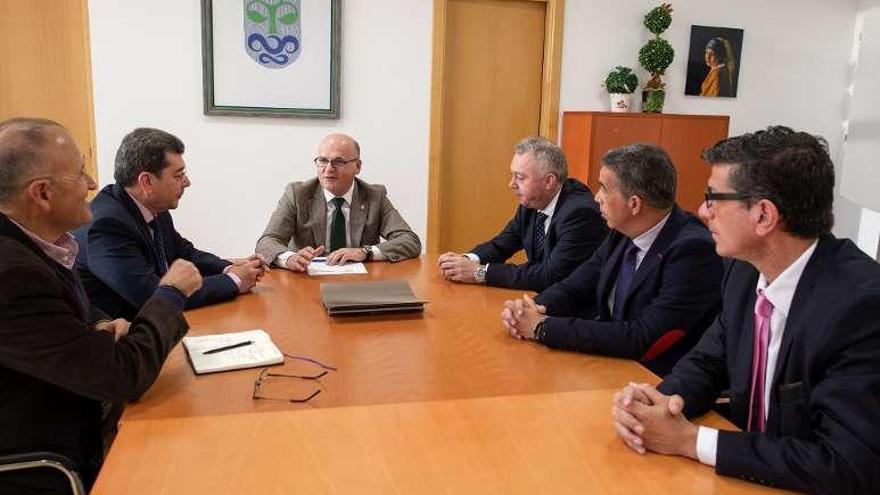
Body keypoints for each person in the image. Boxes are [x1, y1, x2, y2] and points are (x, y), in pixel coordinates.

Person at [611, 127, 880, 493]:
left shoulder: (860, 305)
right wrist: (659, 404)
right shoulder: (742, 271)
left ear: (764, 216)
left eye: (713, 198)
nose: (703, 212)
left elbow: (845, 464)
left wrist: (691, 441)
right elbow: (708, 360)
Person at [0, 118, 203, 494]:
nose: (93, 184)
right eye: (80, 173)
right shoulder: (12, 273)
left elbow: (66, 309)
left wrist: (97, 324)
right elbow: (121, 377)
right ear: (42, 193)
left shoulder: (38, 246)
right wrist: (171, 293)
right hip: (46, 459)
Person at [502, 143, 723, 376]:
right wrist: (533, 308)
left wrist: (541, 327)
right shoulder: (622, 231)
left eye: (604, 189)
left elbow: (640, 336)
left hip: (654, 377)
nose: (597, 197)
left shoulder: (693, 251)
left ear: (634, 204)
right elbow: (579, 284)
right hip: (611, 361)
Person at [74, 128, 267, 320]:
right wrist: (234, 281)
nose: (187, 182)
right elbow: (153, 295)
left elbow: (183, 253)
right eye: (178, 175)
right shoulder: (107, 226)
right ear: (147, 182)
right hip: (121, 337)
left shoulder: (154, 207)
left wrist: (227, 267)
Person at [437, 136, 607, 291]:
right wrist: (466, 261)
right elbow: (502, 244)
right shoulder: (532, 202)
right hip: (540, 297)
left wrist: (480, 273)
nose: (511, 184)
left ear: (549, 181)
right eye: (512, 175)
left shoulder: (580, 213)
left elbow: (550, 275)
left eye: (520, 177)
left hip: (574, 310)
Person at [256, 133, 421, 270]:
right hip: (306, 281)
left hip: (359, 283)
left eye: (338, 162)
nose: (328, 169)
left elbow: (410, 241)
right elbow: (267, 241)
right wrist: (289, 258)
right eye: (322, 160)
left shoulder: (374, 196)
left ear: (357, 166)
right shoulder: (297, 194)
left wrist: (365, 252)